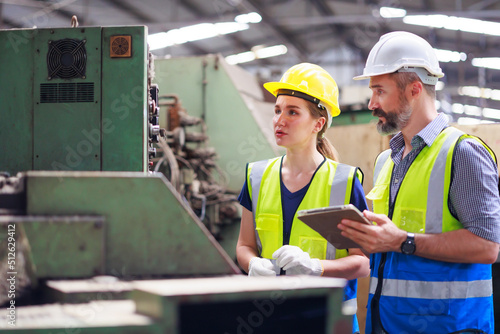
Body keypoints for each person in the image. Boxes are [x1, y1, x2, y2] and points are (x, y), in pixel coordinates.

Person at [338, 31, 500, 334]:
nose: (371, 103)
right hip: (385, 324)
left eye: (380, 91)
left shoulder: (462, 153)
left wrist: (402, 241)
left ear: (414, 89)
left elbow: (487, 246)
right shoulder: (388, 160)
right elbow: (391, 242)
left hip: (449, 327)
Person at [236, 62, 370, 333]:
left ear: (318, 124)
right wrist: (252, 263)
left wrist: (315, 267)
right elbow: (244, 245)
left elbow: (362, 261)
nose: (279, 120)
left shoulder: (344, 183)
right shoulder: (256, 177)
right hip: (269, 319)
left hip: (328, 319)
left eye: (292, 112)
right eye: (277, 110)